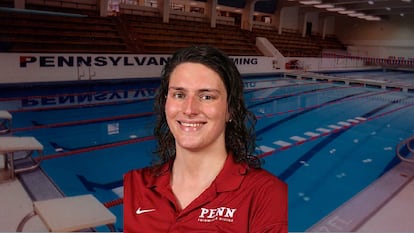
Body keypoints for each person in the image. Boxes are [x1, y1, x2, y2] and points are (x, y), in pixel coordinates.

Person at [123, 45, 287, 233]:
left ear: (230, 110)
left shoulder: (266, 194)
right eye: (179, 95)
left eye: (207, 96)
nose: (189, 109)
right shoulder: (135, 183)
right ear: (165, 102)